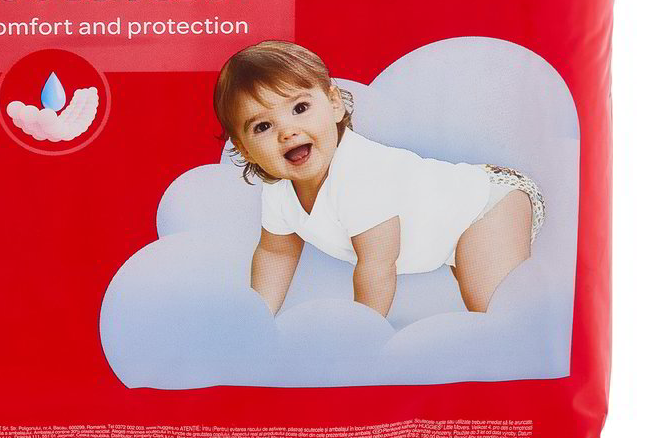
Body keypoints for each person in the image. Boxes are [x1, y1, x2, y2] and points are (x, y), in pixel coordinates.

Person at [213, 40, 544, 317]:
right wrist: (257, 318)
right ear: (245, 149)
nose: (287, 132)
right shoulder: (279, 188)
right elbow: (277, 253)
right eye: (263, 126)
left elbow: (377, 265)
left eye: (299, 108)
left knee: (491, 309)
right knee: (479, 297)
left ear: (334, 104)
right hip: (445, 230)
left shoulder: (360, 175)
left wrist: (362, 334)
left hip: (486, 206)